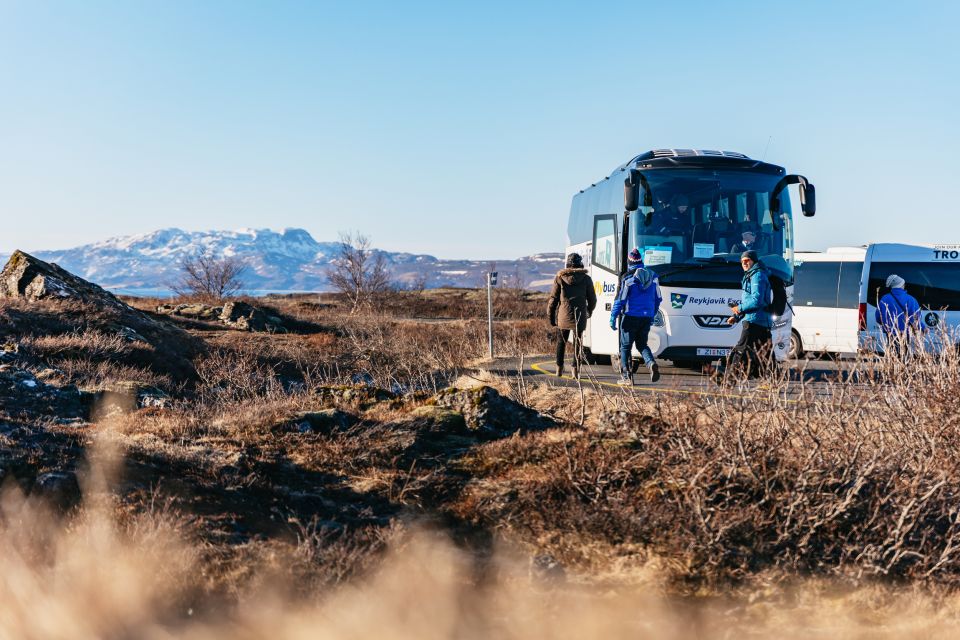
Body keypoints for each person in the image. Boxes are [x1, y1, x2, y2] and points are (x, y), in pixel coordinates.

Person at [714, 250, 775, 380]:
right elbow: (752, 302)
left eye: (747, 260)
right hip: (761, 320)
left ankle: (729, 380)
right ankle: (773, 381)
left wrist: (739, 308)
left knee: (741, 349)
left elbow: (756, 300)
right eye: (742, 261)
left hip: (754, 321)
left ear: (754, 261)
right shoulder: (752, 275)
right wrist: (736, 317)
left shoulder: (756, 276)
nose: (744, 263)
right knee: (766, 354)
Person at [609, 248, 662, 385]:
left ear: (629, 262)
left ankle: (626, 377)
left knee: (625, 347)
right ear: (641, 261)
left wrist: (613, 316)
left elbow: (620, 300)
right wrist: (652, 314)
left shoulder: (628, 279)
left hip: (630, 317)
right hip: (646, 317)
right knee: (642, 344)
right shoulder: (653, 277)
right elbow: (658, 299)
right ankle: (651, 363)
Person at [547, 253, 597, 378]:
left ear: (568, 264)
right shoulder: (586, 279)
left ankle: (559, 368)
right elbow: (593, 299)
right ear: (580, 264)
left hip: (563, 316)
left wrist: (551, 317)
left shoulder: (559, 278)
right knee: (578, 343)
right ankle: (575, 369)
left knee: (561, 342)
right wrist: (589, 311)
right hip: (580, 315)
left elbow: (553, 300)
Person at [875, 274, 922, 356]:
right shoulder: (911, 299)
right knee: (904, 354)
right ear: (901, 285)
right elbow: (916, 318)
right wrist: (923, 328)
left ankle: (892, 368)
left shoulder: (884, 299)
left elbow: (878, 317)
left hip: (890, 333)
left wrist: (887, 325)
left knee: (892, 354)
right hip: (906, 333)